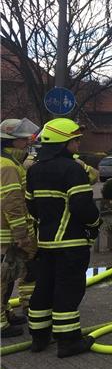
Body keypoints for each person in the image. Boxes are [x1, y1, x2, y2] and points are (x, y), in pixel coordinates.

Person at [26, 118, 100, 357]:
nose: (78, 145)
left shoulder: (34, 170)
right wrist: (95, 222)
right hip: (71, 242)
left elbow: (32, 206)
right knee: (68, 290)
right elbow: (82, 206)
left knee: (44, 287)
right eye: (75, 140)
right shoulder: (72, 169)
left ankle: (38, 337)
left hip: (45, 242)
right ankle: (68, 341)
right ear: (63, 143)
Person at [0, 118, 39, 338]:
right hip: (6, 233)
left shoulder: (8, 163)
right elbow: (13, 202)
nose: (27, 143)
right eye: (24, 140)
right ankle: (1, 325)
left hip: (5, 232)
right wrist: (21, 234)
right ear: (12, 141)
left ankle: (6, 313)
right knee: (3, 278)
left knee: (8, 277)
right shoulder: (8, 167)